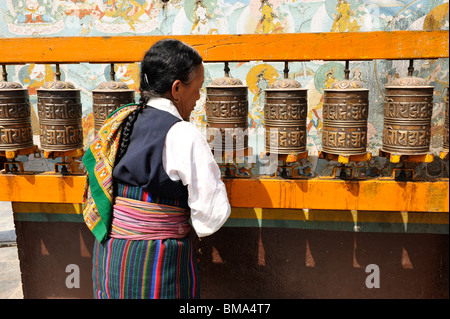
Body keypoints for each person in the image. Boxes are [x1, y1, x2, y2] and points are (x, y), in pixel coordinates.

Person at [82, 39, 230, 299]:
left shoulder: (122, 121)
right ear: (176, 89)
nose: (198, 98)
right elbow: (210, 214)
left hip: (111, 257)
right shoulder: (183, 134)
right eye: (197, 89)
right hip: (156, 262)